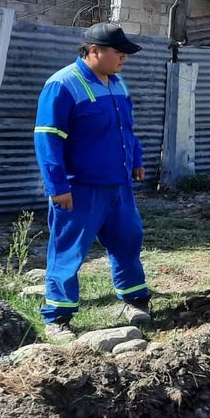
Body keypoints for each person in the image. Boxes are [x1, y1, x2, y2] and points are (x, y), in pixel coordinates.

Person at [33, 23, 151, 341]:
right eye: (118, 52)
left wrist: (136, 160)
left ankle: (134, 300)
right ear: (94, 50)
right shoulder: (62, 85)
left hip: (118, 186)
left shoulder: (117, 83)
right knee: (69, 251)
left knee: (128, 240)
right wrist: (57, 187)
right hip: (79, 189)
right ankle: (57, 318)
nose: (123, 58)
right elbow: (48, 140)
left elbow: (126, 129)